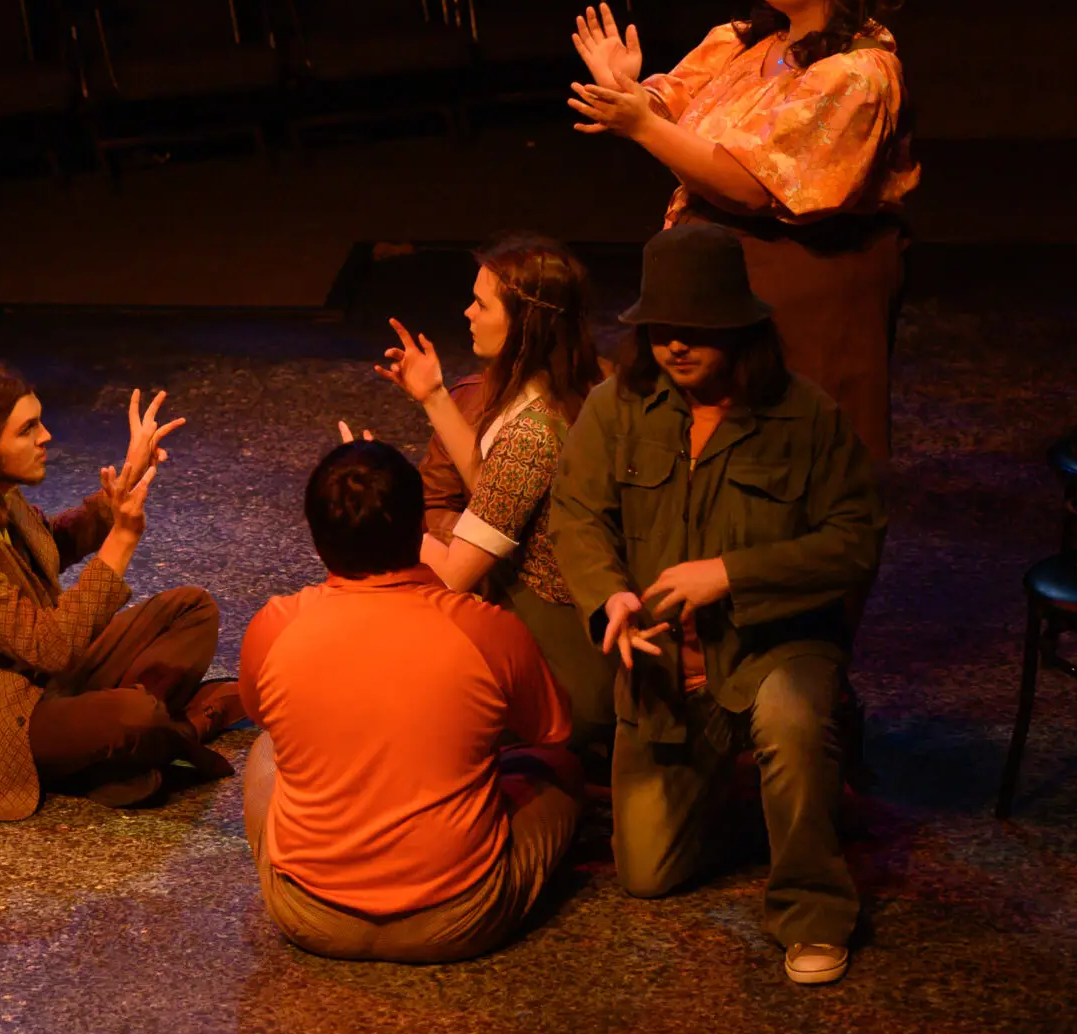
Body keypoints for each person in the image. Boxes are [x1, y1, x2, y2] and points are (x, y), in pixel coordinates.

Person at [548, 223, 885, 985]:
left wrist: (732, 572)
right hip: (669, 668)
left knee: (792, 719)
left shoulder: (806, 417)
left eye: (696, 328)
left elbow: (855, 540)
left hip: (776, 647)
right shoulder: (617, 407)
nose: (676, 344)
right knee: (647, 872)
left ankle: (813, 907)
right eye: (663, 327)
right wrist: (609, 597)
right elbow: (577, 512)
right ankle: (786, 805)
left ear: (740, 326)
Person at [566, 0, 912, 465]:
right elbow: (674, 107)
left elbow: (752, 183)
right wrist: (628, 91)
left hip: (802, 278)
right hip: (716, 271)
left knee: (787, 446)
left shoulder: (857, 74)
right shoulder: (746, 42)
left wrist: (641, 125)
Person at [240, 440, 582, 964]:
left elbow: (262, 717)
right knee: (561, 769)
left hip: (307, 915)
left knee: (267, 746)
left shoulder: (274, 626)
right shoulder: (485, 629)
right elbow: (553, 732)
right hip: (461, 920)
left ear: (316, 538)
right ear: (421, 527)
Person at [0, 361, 241, 818]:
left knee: (191, 610)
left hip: (38, 679)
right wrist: (122, 538)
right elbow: (50, 646)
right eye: (27, 429)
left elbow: (51, 542)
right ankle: (164, 734)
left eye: (40, 422)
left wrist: (126, 480)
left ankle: (116, 752)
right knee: (136, 715)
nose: (46, 436)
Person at [368, 236, 614, 748]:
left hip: (561, 664)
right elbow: (496, 490)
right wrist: (434, 396)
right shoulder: (557, 390)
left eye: (482, 304)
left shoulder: (534, 431)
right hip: (558, 626)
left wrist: (378, 505)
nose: (467, 313)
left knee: (392, 594)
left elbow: (452, 577)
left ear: (524, 323)